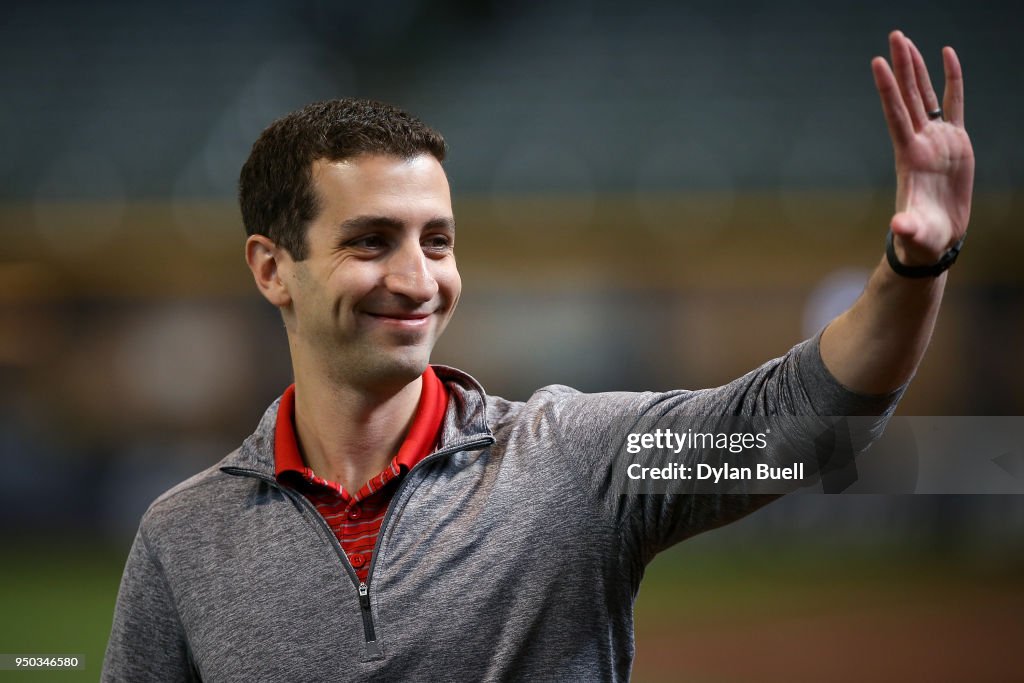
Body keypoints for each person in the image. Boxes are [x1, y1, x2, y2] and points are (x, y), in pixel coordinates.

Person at [103, 30, 973, 681]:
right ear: (272, 269)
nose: (417, 278)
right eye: (372, 241)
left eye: (437, 241)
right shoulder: (182, 540)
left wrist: (917, 262)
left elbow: (798, 429)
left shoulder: (572, 462)